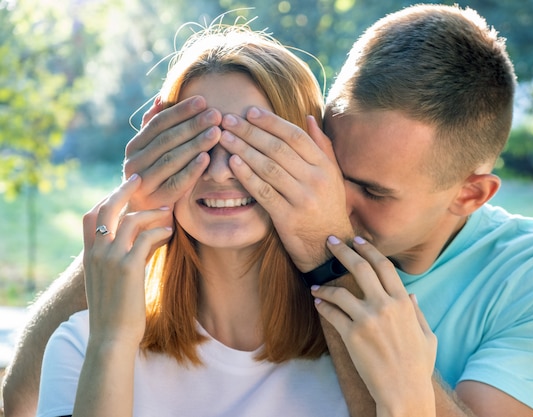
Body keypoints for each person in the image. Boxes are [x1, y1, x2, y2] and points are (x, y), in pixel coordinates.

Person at [2, 4, 533, 417]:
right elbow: (22, 401)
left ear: (470, 195)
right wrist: (136, 211)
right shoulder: (251, 237)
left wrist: (325, 252)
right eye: (322, 161)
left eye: (374, 191)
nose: (325, 197)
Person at [30, 23, 438, 417]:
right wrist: (112, 342)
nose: (221, 171)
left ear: (315, 161)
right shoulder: (83, 344)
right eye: (197, 140)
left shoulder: (370, 355)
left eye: (254, 144)